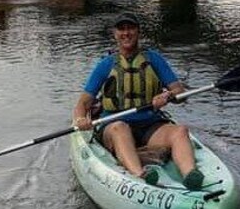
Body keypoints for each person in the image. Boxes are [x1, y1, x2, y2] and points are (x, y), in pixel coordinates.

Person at [72, 13, 204, 190]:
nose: (126, 33)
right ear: (115, 34)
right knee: (120, 127)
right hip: (113, 126)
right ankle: (140, 174)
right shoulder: (106, 64)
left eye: (130, 28)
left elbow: (180, 92)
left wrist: (168, 96)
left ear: (138, 32)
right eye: (121, 29)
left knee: (180, 131)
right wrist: (81, 120)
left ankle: (191, 175)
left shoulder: (154, 59)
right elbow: (83, 103)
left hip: (150, 125)